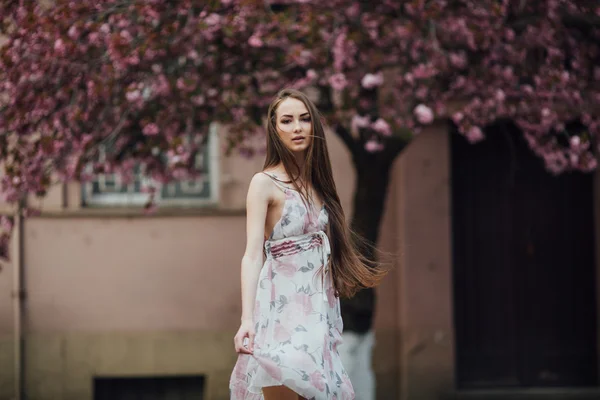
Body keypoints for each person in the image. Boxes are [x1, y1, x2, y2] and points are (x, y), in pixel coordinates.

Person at [229, 88, 385, 400]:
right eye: (287, 121)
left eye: (304, 119)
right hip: (280, 313)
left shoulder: (319, 185)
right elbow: (251, 255)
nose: (297, 127)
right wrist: (247, 320)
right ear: (274, 129)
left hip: (317, 314)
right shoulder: (264, 184)